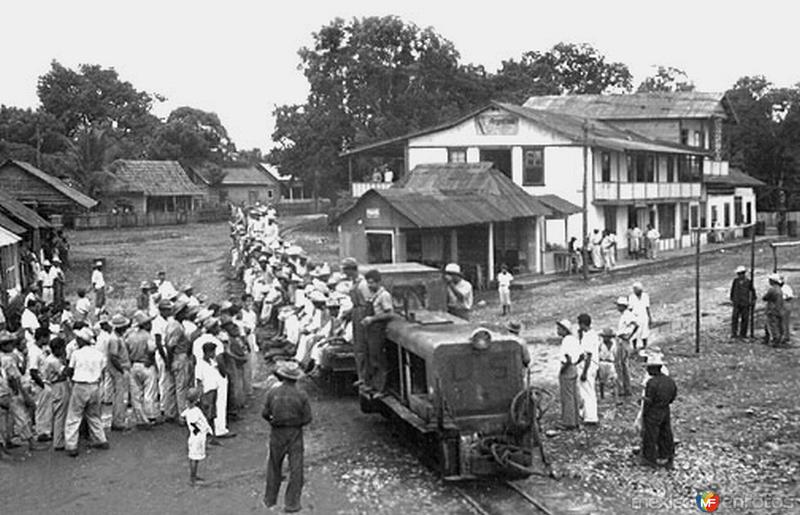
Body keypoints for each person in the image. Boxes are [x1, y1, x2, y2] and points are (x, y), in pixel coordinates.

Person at [262, 361, 312, 513]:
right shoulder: (301, 395)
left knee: (274, 466)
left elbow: (264, 413)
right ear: (296, 378)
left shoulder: (272, 392)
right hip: (295, 433)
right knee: (296, 469)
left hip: (277, 432)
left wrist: (273, 421)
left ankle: (270, 499)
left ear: (282, 377)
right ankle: (292, 504)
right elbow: (307, 418)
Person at [64, 327, 109, 457]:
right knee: (94, 415)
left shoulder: (76, 354)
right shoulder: (99, 354)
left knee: (74, 416)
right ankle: (101, 439)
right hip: (94, 385)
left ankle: (71, 445)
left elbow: (70, 370)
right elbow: (103, 371)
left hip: (80, 385)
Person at [639, 354, 677, 468]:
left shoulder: (651, 382)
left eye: (648, 368)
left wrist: (644, 413)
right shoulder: (669, 381)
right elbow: (673, 396)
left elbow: (648, 400)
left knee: (650, 434)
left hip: (653, 411)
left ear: (653, 369)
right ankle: (667, 455)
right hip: (665, 409)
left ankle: (650, 459)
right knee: (666, 433)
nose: (647, 370)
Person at [361, 269, 394, 396]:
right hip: (371, 329)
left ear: (379, 282)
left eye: (372, 283)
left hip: (378, 330)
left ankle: (382, 389)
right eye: (368, 283)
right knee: (371, 358)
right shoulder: (373, 295)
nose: (369, 286)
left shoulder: (384, 295)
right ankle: (374, 385)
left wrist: (372, 319)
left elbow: (389, 313)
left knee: (379, 359)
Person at [126, 311, 159, 429]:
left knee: (136, 394)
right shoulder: (148, 336)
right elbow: (151, 350)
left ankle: (140, 418)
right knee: (149, 392)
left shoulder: (130, 336)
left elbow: (127, 350)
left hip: (134, 365)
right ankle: (150, 416)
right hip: (146, 365)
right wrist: (151, 360)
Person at [342, 258, 370, 388]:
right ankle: (361, 376)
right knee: (357, 346)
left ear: (351, 269)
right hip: (356, 312)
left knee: (363, 346)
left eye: (346, 270)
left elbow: (368, 302)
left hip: (362, 313)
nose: (345, 273)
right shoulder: (354, 281)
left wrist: (366, 317)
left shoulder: (363, 284)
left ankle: (365, 377)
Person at [182, 387, 213, 486]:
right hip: (198, 437)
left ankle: (194, 476)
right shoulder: (196, 411)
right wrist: (208, 431)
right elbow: (202, 423)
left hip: (192, 436)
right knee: (195, 458)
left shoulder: (187, 411)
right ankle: (193, 478)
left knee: (193, 457)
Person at [107, 313, 132, 431]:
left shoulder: (118, 337)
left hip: (120, 369)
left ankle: (119, 419)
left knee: (121, 396)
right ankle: (118, 421)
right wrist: (121, 370)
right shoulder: (114, 339)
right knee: (120, 397)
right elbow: (113, 357)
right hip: (119, 370)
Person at [576, 313, 599, 426]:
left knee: (588, 392)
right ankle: (586, 414)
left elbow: (588, 355)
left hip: (588, 366)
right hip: (589, 365)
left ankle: (591, 417)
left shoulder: (590, 336)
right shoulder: (589, 334)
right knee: (586, 391)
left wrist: (585, 372)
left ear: (582, 324)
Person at [556, 319, 580, 430]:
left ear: (564, 330)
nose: (557, 330)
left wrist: (562, 370)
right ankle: (575, 420)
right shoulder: (574, 340)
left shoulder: (566, 341)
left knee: (567, 397)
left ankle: (568, 422)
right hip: (574, 368)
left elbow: (568, 358)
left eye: (559, 328)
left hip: (568, 368)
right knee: (573, 395)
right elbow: (580, 356)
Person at [615, 297, 638, 397]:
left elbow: (636, 325)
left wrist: (629, 336)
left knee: (622, 365)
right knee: (622, 365)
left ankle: (625, 389)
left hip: (623, 341)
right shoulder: (624, 315)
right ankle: (625, 388)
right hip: (622, 340)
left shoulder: (628, 315)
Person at [730, 266, 755, 339]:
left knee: (745, 318)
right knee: (735, 318)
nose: (740, 275)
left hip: (745, 303)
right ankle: (734, 333)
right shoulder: (735, 281)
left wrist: (752, 300)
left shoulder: (748, 281)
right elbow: (733, 290)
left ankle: (743, 334)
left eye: (741, 274)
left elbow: (752, 291)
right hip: (737, 303)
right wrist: (733, 299)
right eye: (739, 274)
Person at [628, 282, 652, 350]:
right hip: (635, 317)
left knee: (644, 332)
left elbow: (647, 307)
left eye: (637, 290)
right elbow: (630, 308)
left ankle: (644, 346)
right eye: (635, 289)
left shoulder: (645, 296)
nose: (636, 291)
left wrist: (650, 317)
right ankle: (634, 347)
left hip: (644, 316)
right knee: (634, 333)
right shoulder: (631, 297)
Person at [763, 273, 785, 347]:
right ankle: (776, 339)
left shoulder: (772, 289)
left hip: (772, 310)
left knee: (773, 326)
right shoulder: (779, 289)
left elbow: (765, 297)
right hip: (779, 309)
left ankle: (776, 341)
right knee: (778, 325)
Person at [597, 329, 618, 401]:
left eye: (607, 337)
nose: (605, 338)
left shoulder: (614, 344)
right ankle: (602, 396)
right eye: (604, 337)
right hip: (602, 362)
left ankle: (616, 399)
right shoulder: (600, 344)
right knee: (601, 381)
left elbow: (615, 354)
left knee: (614, 381)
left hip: (611, 363)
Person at [781, 275, 794, 345]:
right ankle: (784, 336)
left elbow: (789, 296)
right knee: (783, 321)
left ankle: (785, 337)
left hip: (786, 304)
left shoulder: (786, 288)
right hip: (784, 304)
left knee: (785, 321)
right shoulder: (780, 288)